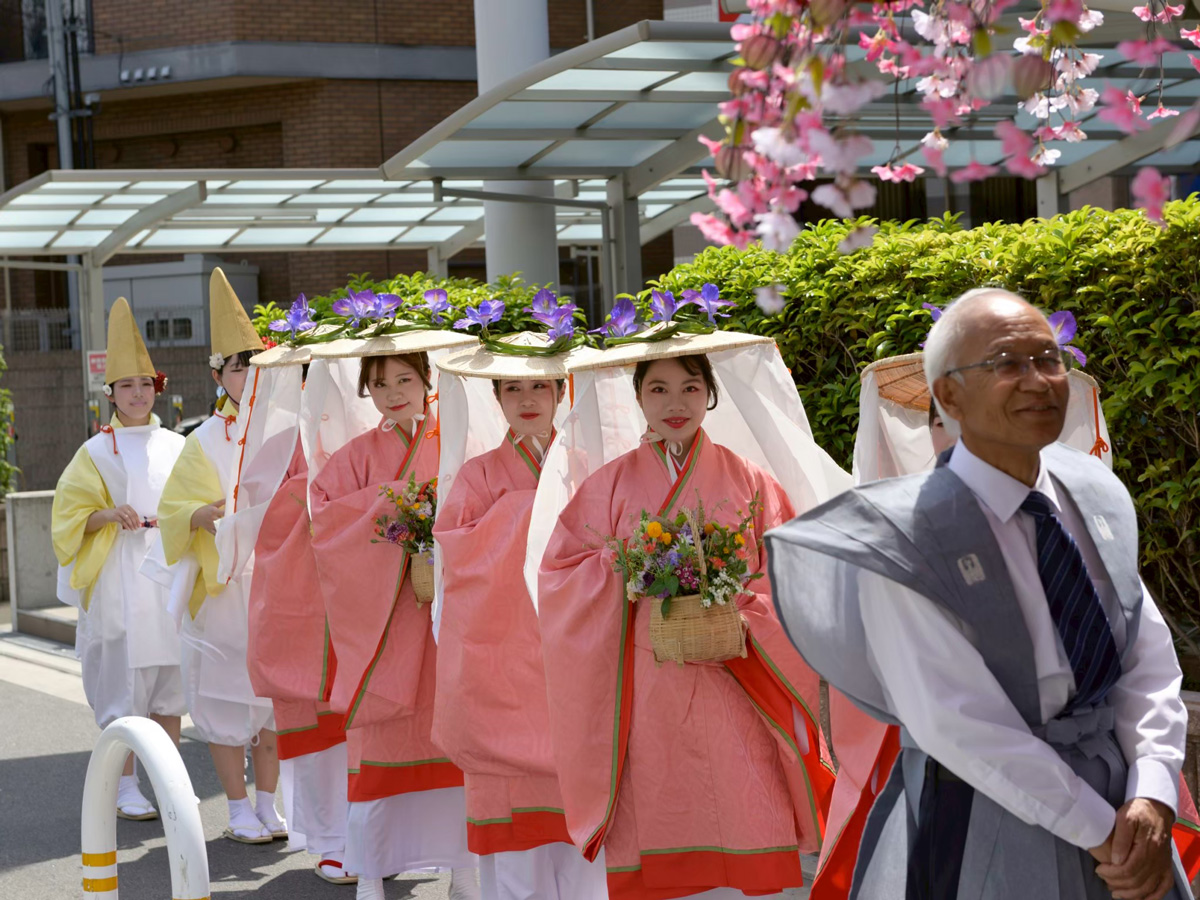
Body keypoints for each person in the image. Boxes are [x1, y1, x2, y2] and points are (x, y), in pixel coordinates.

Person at [768, 288, 1190, 900]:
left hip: (1126, 801)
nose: (1038, 381)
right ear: (948, 396)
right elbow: (956, 721)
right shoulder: (906, 535)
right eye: (1006, 364)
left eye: (1049, 359)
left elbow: (1145, 655)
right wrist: (1105, 833)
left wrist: (1151, 789)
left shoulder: (1094, 491)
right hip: (989, 811)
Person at [537, 331, 847, 900]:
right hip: (648, 678)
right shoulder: (607, 486)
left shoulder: (749, 478)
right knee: (661, 805)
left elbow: (789, 571)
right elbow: (559, 575)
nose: (674, 402)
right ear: (638, 397)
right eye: (658, 388)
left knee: (742, 797)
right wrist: (622, 566)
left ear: (710, 395)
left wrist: (739, 600)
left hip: (739, 672)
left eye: (690, 386)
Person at [432, 333, 609, 900]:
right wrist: (532, 517)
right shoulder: (477, 475)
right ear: (497, 397)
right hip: (501, 659)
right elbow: (457, 558)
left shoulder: (585, 468)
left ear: (561, 392)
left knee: (581, 816)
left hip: (571, 655)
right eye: (513, 387)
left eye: (540, 385)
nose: (527, 397)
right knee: (515, 852)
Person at [308, 335, 479, 900]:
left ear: (427, 379)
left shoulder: (457, 439)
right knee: (382, 742)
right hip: (384, 622)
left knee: (454, 735)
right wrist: (392, 505)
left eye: (404, 379)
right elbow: (326, 524)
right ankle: (374, 870)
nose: (392, 393)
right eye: (379, 383)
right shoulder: (355, 455)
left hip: (446, 620)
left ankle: (465, 869)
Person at [156, 268, 283, 844]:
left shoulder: (288, 428)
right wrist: (202, 514)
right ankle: (236, 808)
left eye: (254, 363)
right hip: (225, 585)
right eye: (236, 365)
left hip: (279, 584)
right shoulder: (201, 439)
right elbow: (174, 512)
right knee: (229, 698)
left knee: (277, 702)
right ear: (217, 374)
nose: (247, 374)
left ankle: (271, 804)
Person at [52, 297, 185, 821]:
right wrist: (107, 515)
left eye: (146, 384)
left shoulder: (178, 445)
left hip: (166, 570)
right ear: (110, 393)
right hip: (118, 575)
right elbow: (67, 520)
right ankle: (125, 784)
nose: (137, 393)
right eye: (127, 385)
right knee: (123, 679)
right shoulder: (94, 452)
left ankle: (169, 781)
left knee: (168, 678)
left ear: (159, 388)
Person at [239, 345, 354, 883]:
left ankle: (379, 836)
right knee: (320, 731)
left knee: (368, 729)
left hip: (364, 597)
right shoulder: (283, 438)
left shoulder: (370, 431)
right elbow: (258, 512)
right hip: (305, 599)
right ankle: (332, 838)